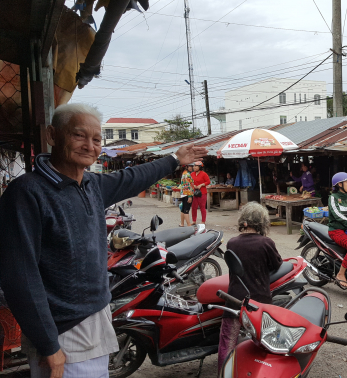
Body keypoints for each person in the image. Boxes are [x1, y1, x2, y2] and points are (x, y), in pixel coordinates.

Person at [0, 103, 207, 378]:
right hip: (62, 329)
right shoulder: (27, 193)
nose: (89, 145)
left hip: (96, 316)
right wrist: (49, 345)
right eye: (78, 136)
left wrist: (173, 159)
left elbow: (132, 177)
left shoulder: (90, 185)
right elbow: (20, 276)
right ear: (53, 135)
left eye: (96, 139)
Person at [217, 202, 282, 368]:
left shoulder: (232, 243)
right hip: (259, 303)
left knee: (227, 343)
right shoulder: (266, 243)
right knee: (261, 342)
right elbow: (277, 265)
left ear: (243, 221)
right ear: (262, 222)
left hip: (234, 299)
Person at [190, 161, 210, 225]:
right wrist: (193, 186)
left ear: (200, 167)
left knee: (202, 207)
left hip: (202, 192)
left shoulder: (204, 174)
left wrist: (201, 185)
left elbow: (208, 182)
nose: (194, 167)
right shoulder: (192, 174)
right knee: (194, 207)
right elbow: (190, 181)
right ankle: (194, 220)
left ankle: (203, 221)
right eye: (194, 166)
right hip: (194, 192)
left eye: (196, 166)